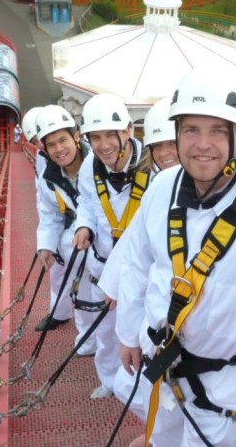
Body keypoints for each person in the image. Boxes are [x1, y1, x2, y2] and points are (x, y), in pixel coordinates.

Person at [114, 71, 236, 446]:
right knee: (160, 437)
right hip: (160, 362)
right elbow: (138, 265)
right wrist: (127, 334)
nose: (202, 145)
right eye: (190, 130)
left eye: (219, 130)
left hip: (223, 385)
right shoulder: (162, 187)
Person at [98, 97, 181, 425]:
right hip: (158, 309)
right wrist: (114, 283)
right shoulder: (160, 187)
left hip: (181, 315)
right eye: (158, 147)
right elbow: (135, 244)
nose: (165, 154)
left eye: (172, 144)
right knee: (129, 385)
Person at [72, 93, 146, 399]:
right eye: (95, 137)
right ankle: (110, 380)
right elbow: (87, 201)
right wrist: (83, 225)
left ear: (127, 131)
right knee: (104, 330)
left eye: (110, 136)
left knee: (139, 331)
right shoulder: (91, 164)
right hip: (101, 262)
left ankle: (139, 388)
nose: (104, 145)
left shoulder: (151, 167)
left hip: (139, 268)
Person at [32, 106, 99, 350]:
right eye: (52, 144)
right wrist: (45, 247)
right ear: (45, 150)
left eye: (63, 140)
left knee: (94, 287)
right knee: (68, 277)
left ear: (77, 136)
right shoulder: (48, 179)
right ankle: (74, 328)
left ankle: (95, 341)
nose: (59, 149)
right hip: (74, 235)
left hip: (106, 233)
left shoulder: (98, 163)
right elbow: (49, 216)